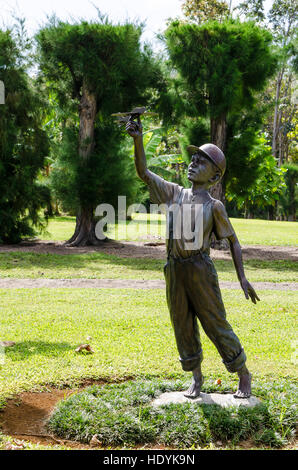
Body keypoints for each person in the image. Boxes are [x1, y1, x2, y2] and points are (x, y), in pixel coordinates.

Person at [126, 116, 260, 399]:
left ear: (214, 176)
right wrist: (138, 140)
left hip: (200, 270)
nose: (193, 162)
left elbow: (233, 241)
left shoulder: (215, 206)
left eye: (201, 161)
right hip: (174, 269)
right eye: (193, 158)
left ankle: (243, 373)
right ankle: (196, 378)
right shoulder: (174, 193)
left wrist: (242, 277)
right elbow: (144, 173)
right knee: (182, 323)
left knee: (215, 322)